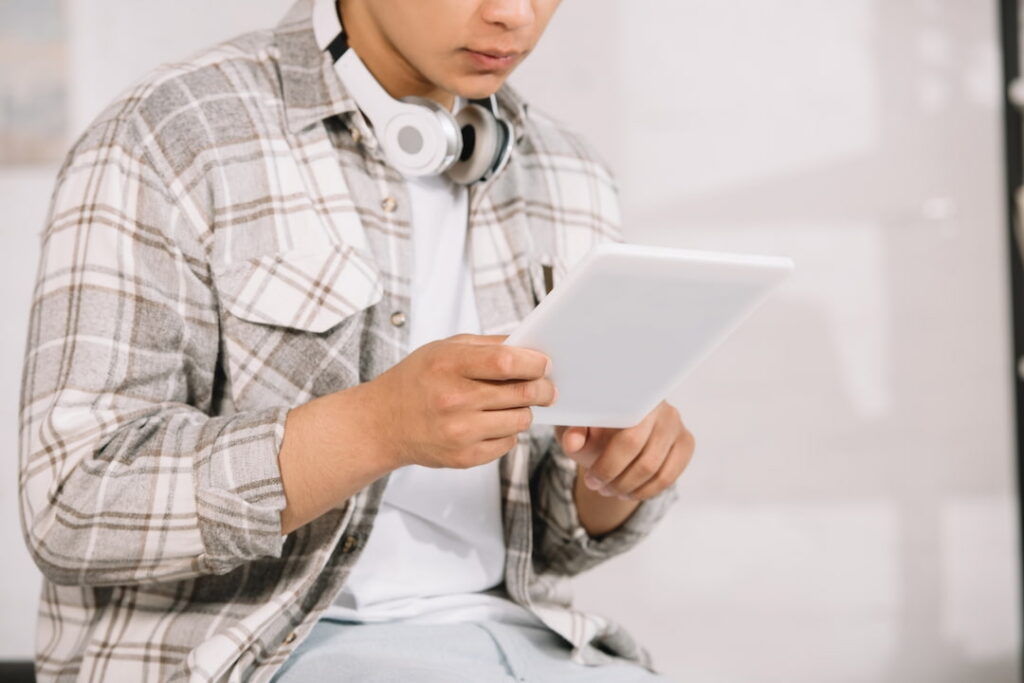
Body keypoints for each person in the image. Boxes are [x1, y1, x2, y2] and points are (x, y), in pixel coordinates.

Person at [17, 0, 696, 680]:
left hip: (527, 641)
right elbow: (71, 504)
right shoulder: (174, 133)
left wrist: (614, 477)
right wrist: (377, 426)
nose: (515, 15)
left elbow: (551, 548)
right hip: (258, 654)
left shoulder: (569, 175)